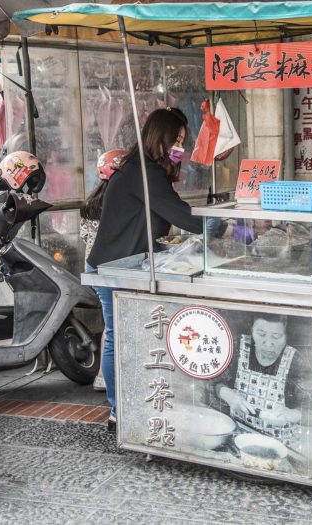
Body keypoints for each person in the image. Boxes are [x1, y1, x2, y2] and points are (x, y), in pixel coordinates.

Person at [87, 108, 202, 430]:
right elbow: (181, 215)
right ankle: (119, 412)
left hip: (127, 265)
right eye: (175, 140)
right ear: (158, 137)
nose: (179, 147)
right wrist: (227, 227)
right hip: (114, 267)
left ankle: (131, 404)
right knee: (119, 338)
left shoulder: (144, 169)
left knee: (126, 337)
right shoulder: (143, 171)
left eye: (182, 141)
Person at [213, 313, 311, 449]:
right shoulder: (237, 347)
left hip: (280, 445)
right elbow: (210, 379)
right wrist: (226, 393)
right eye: (261, 334)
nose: (268, 343)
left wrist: (292, 415)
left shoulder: (296, 362)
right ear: (252, 330)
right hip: (239, 438)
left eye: (276, 337)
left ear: (286, 337)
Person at [80, 150, 128, 392]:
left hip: (93, 267)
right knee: (115, 327)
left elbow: (85, 237)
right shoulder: (118, 201)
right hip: (111, 268)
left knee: (110, 324)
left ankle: (101, 376)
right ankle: (114, 390)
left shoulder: (91, 202)